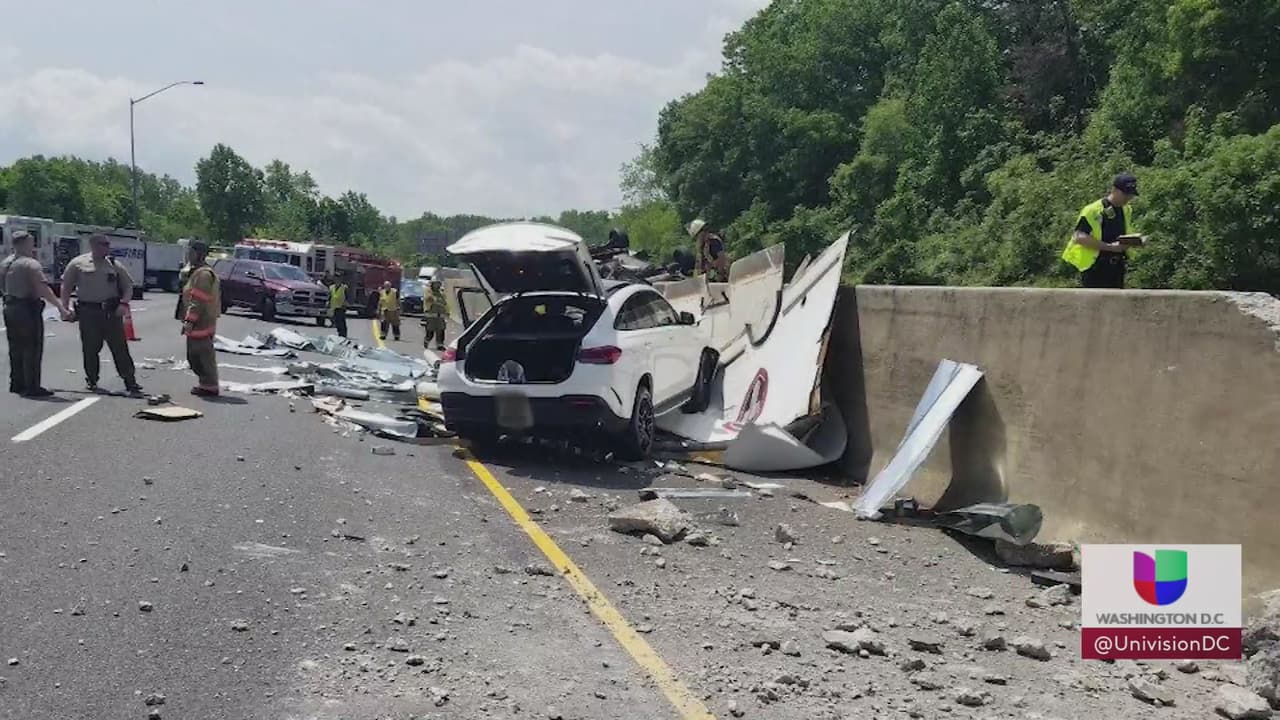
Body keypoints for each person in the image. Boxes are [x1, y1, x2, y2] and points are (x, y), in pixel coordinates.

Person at [61, 234, 143, 395]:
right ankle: (91, 379)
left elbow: (128, 287)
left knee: (119, 348)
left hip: (111, 312)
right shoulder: (78, 263)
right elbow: (66, 286)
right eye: (103, 244)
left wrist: (124, 304)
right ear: (92, 245)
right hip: (88, 312)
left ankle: (130, 381)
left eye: (107, 244)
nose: (106, 247)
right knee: (90, 348)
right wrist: (64, 308)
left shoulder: (113, 264)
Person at [2, 231, 70, 397]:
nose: (33, 246)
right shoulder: (31, 264)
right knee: (31, 348)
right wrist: (60, 307)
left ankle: (17, 383)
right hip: (26, 308)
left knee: (15, 348)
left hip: (10, 307)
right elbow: (42, 288)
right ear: (24, 244)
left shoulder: (6, 262)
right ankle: (32, 386)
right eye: (31, 242)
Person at [1062, 173, 1143, 289]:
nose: (1128, 198)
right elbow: (1079, 237)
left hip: (1117, 266)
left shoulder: (1126, 209)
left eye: (1130, 195)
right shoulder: (1093, 210)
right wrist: (1110, 247)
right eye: (1125, 194)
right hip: (1095, 267)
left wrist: (1133, 241)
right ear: (1114, 190)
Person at [180, 241, 221, 396]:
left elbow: (198, 299)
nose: (188, 255)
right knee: (195, 356)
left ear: (199, 254)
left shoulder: (203, 274)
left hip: (202, 322)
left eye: (191, 252)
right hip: (200, 321)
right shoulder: (198, 271)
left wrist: (190, 320)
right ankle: (206, 383)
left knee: (201, 355)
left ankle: (210, 385)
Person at [421, 278, 448, 351]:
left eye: (438, 283)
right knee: (430, 332)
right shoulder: (428, 291)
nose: (437, 285)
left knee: (441, 331)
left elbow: (445, 302)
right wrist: (436, 301)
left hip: (440, 316)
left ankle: (440, 345)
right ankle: (426, 340)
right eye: (435, 283)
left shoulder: (441, 293)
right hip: (431, 315)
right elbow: (429, 298)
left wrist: (446, 312)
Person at [328, 272, 350, 338]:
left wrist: (346, 304)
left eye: (338, 278)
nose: (337, 279)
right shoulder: (331, 287)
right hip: (334, 307)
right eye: (335, 278)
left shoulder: (344, 287)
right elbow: (330, 296)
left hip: (341, 307)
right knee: (336, 322)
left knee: (341, 322)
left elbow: (347, 297)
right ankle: (339, 334)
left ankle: (343, 335)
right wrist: (328, 303)